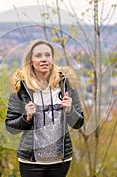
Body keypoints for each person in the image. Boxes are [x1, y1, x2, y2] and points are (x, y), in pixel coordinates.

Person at [5, 39, 84, 177]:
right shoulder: (21, 87)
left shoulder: (66, 84)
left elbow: (78, 123)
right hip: (31, 162)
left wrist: (70, 110)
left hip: (61, 161)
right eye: (38, 56)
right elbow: (11, 127)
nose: (44, 59)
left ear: (52, 58)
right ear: (30, 60)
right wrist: (27, 117)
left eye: (48, 55)